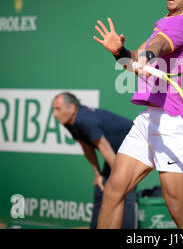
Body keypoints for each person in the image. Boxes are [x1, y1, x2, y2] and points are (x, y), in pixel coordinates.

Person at [92, 0, 183, 229]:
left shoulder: (181, 23)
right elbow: (135, 62)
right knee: (113, 191)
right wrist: (120, 51)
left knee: (179, 211)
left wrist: (148, 55)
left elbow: (157, 47)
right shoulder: (167, 22)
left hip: (175, 125)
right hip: (150, 119)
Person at [52, 92, 137, 229]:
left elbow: (103, 147)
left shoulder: (84, 120)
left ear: (72, 108)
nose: (54, 114)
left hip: (132, 147)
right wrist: (98, 174)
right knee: (101, 186)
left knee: (125, 189)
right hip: (115, 153)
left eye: (58, 109)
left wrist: (119, 176)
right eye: (53, 110)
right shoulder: (69, 122)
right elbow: (86, 146)